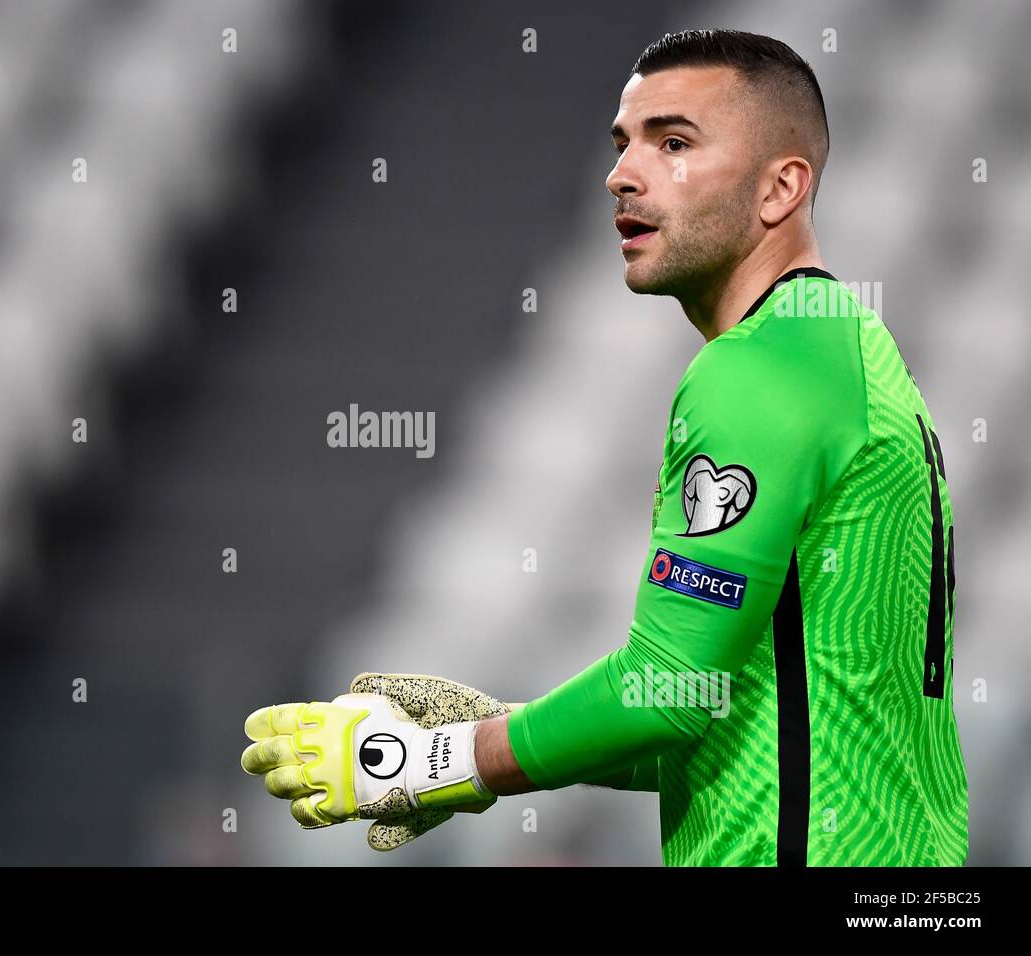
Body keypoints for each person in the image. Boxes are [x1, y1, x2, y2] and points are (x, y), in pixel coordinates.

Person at [241, 29, 968, 866]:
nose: (623, 174)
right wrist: (500, 733)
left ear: (781, 187)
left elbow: (665, 695)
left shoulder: (758, 372)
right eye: (623, 145)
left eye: (673, 142)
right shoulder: (848, 350)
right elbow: (753, 730)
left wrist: (439, 762)